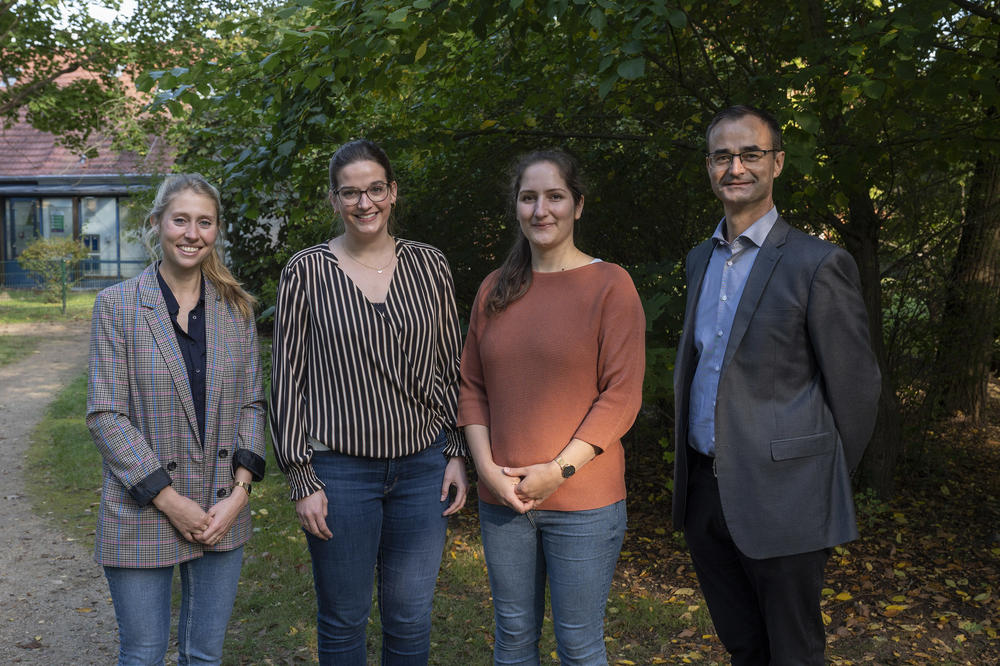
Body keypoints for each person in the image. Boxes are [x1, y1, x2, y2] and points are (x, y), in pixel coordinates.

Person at [671, 105, 882, 665]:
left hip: (786, 497)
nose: (735, 167)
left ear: (777, 163)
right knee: (743, 646)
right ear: (709, 167)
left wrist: (813, 478)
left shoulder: (818, 263)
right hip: (705, 492)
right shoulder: (698, 260)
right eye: (722, 156)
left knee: (793, 651)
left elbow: (857, 391)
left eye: (750, 154)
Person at [269, 139, 469, 665]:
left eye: (375, 189)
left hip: (422, 468)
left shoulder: (430, 266)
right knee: (343, 619)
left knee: (410, 619)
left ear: (393, 192)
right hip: (339, 473)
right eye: (351, 192)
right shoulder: (306, 271)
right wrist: (301, 477)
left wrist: (456, 452)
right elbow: (287, 380)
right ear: (334, 200)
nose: (365, 203)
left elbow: (451, 366)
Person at [458, 149, 646, 665]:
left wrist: (558, 470)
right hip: (504, 501)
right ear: (516, 207)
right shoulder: (495, 288)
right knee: (513, 641)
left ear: (578, 205)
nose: (542, 210)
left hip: (584, 502)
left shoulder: (611, 285)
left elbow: (622, 394)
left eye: (555, 196)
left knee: (580, 646)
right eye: (529, 197)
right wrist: (486, 470)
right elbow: (471, 386)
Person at [87, 173, 267, 665]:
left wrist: (240, 492)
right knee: (143, 653)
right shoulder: (118, 306)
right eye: (180, 220)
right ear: (157, 224)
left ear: (216, 231)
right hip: (142, 506)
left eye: (204, 222)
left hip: (220, 509)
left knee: (204, 655)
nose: (192, 233)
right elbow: (106, 413)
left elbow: (252, 404)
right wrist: (168, 499)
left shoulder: (237, 310)